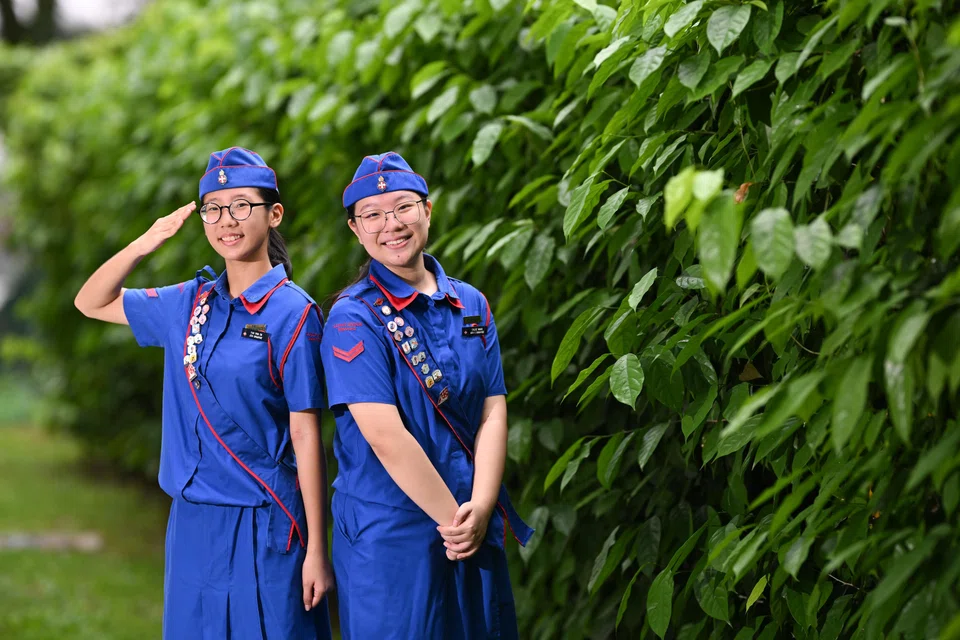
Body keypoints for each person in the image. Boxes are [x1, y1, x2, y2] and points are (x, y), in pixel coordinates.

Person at [74, 147, 333, 640]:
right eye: (213, 208)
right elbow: (90, 301)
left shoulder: (294, 313)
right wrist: (145, 243)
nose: (225, 221)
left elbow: (305, 435)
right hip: (192, 520)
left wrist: (317, 550)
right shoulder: (188, 303)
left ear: (273, 214)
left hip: (266, 522)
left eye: (241, 206)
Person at [320, 151, 534, 639]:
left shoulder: (470, 303)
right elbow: (385, 437)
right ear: (355, 229)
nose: (390, 224)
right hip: (392, 532)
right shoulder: (354, 318)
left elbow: (492, 411)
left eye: (402, 207)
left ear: (427, 211)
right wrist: (458, 525)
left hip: (469, 518)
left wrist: (479, 507)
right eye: (372, 215)